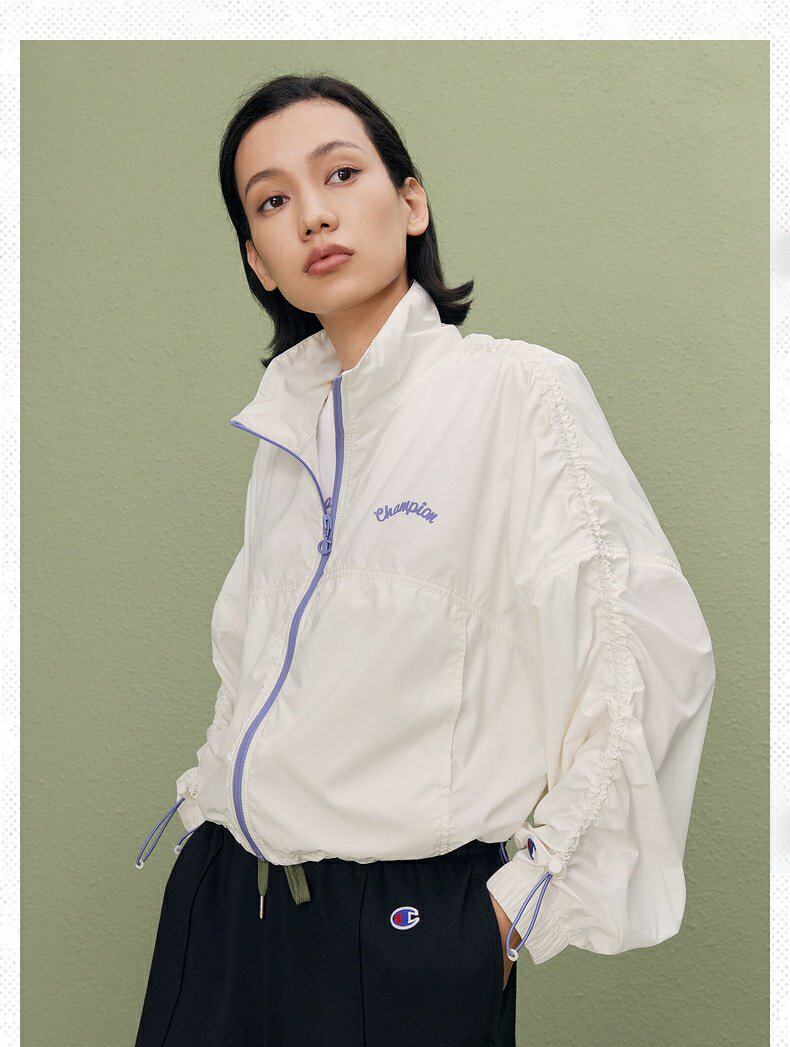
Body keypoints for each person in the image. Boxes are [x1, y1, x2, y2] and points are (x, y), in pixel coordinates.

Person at [132, 73, 717, 1047]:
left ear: (410, 202)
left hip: (401, 932)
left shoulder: (516, 394)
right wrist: (205, 809)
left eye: (340, 174)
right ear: (260, 262)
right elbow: (252, 668)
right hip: (229, 905)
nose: (312, 214)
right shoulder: (287, 437)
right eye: (272, 201)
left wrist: (518, 905)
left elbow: (643, 658)